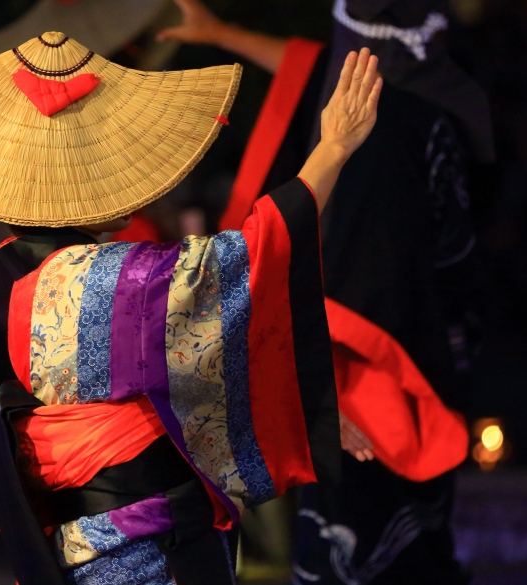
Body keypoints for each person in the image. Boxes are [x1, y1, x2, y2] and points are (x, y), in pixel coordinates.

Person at [0, 31, 384, 584]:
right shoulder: (111, 278)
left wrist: (299, 401)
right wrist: (333, 149)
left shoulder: (32, 285)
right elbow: (251, 257)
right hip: (144, 544)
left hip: (87, 542)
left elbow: (182, 367)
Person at [160, 0, 492, 582]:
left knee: (364, 523)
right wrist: (220, 32)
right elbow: (306, 68)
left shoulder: (376, 115)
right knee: (389, 523)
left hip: (367, 343)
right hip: (380, 342)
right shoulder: (403, 104)